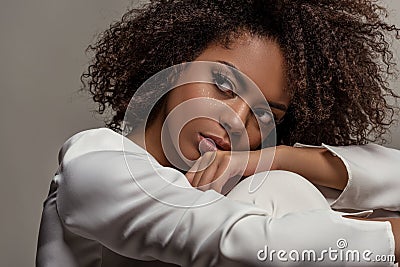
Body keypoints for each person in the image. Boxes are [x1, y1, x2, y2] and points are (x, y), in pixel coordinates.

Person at [36, 0, 400, 266]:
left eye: (265, 114)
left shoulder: (224, 185)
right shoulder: (94, 163)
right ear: (174, 65)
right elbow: (244, 244)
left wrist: (271, 158)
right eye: (224, 84)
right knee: (281, 192)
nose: (237, 120)